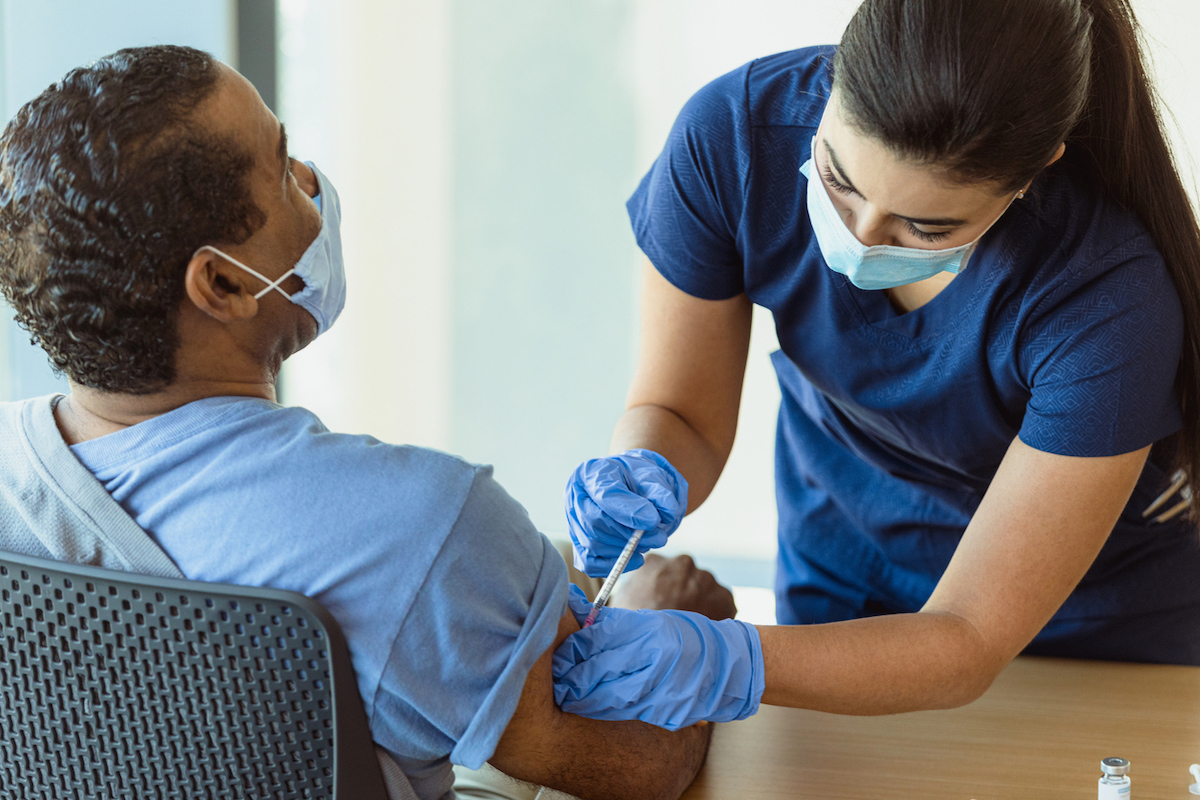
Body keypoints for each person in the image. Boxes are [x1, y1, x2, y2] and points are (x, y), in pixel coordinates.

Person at [0, 45, 726, 800]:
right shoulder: (420, 529)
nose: (311, 182)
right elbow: (639, 765)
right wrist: (661, 617)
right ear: (221, 282)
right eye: (282, 168)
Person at [553, 0, 1200, 731]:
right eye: (837, 179)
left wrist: (726, 661)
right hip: (843, 562)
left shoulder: (1107, 298)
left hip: (1095, 631)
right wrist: (644, 467)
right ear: (833, 85)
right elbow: (682, 416)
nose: (860, 237)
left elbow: (967, 637)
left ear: (1033, 172)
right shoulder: (731, 138)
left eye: (926, 226)